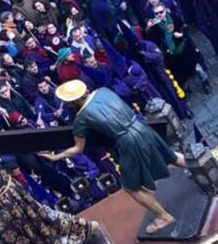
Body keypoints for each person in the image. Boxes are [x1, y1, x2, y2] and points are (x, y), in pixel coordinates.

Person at [47, 80, 185, 233]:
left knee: (131, 188)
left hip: (128, 141)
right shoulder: (103, 90)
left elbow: (78, 148)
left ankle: (163, 216)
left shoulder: (81, 118)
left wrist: (55, 157)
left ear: (71, 103)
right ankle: (205, 165)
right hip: (140, 126)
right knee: (170, 156)